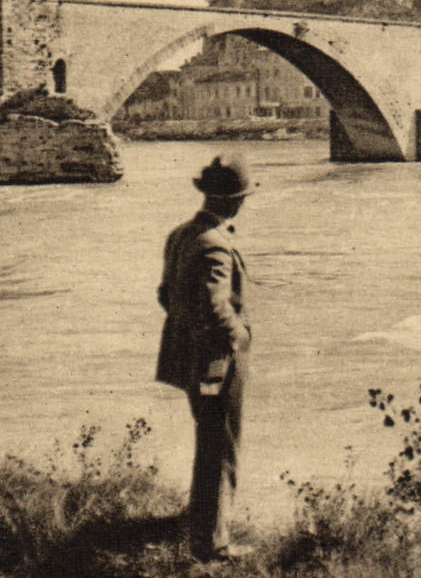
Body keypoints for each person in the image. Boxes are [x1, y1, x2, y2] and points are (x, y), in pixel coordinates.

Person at [157, 153, 256, 560]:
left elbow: (166, 295)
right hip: (217, 361)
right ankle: (213, 544)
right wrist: (240, 337)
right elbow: (217, 306)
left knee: (208, 440)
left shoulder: (180, 235)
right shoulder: (216, 244)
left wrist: (189, 331)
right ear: (234, 201)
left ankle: (201, 525)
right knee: (221, 447)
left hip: (188, 357)